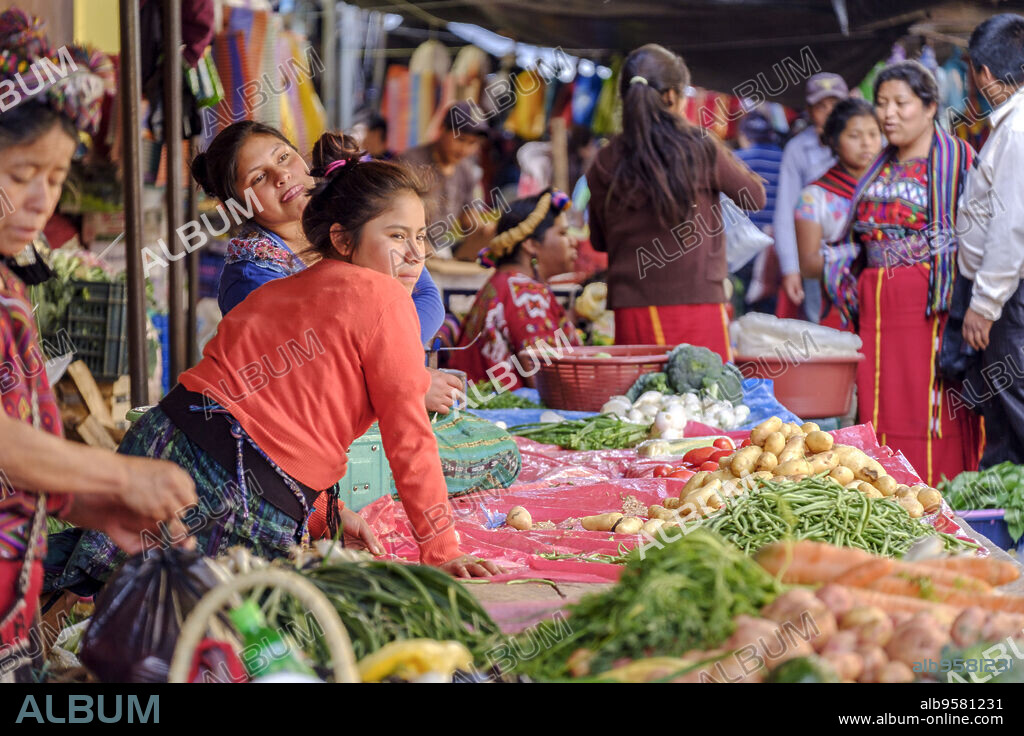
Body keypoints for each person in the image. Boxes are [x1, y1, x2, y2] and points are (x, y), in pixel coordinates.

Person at [63, 133, 503, 582]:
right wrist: (442, 551)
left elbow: (286, 411)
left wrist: (323, 512)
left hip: (161, 442)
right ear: (343, 240)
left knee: (111, 604)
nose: (416, 253)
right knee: (212, 631)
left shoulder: (282, 286)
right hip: (232, 484)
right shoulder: (377, 296)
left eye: (421, 236)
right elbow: (408, 441)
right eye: (397, 236)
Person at [0, 9, 196, 682]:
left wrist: (92, 505)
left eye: (54, 178)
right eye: (22, 171)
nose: (40, 200)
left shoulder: (10, 283)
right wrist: (119, 475)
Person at [833, 60, 981, 486]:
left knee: (929, 408)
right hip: (877, 308)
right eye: (881, 104)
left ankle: (935, 498)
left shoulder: (959, 161)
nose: (888, 114)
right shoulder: (879, 165)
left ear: (931, 106)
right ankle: (880, 495)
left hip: (931, 307)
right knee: (881, 405)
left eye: (901, 103)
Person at [191, 121, 445, 353]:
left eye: (283, 157)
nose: (282, 176)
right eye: (259, 177)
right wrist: (399, 376)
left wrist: (396, 362)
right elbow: (313, 362)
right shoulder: (251, 278)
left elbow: (427, 296)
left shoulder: (348, 208)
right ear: (236, 207)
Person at [586, 44, 766, 358]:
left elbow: (600, 242)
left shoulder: (604, 159)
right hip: (698, 300)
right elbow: (754, 197)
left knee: (643, 403)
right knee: (708, 400)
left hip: (634, 306)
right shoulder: (699, 145)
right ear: (672, 97)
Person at [958, 13, 1024, 468]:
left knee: (1014, 408)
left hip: (1010, 299)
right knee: (1005, 416)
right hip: (1009, 295)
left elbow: (1011, 227)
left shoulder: (1016, 132)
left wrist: (984, 303)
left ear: (983, 73)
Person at [448, 189, 580, 388]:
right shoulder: (526, 293)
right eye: (562, 233)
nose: (573, 241)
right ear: (531, 244)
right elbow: (548, 379)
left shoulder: (503, 283)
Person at [797, 98, 882, 329]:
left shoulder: (891, 190)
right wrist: (862, 255)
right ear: (834, 141)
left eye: (874, 134)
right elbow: (808, 265)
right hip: (837, 309)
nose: (866, 143)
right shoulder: (814, 197)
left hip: (887, 303)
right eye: (854, 136)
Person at [773, 72, 848, 322]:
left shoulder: (867, 141)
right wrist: (791, 268)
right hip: (817, 261)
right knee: (823, 325)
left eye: (835, 106)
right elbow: (785, 213)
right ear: (809, 110)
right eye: (821, 106)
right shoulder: (797, 149)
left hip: (860, 257)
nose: (829, 113)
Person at [398, 101, 493, 261]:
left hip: (439, 249)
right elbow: (394, 216)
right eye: (461, 140)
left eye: (472, 143)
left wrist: (485, 232)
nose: (465, 150)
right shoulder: (410, 163)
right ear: (442, 130)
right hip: (404, 250)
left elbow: (468, 217)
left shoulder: (466, 170)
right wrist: (418, 244)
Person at [734, 111, 783, 313]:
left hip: (743, 248)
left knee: (744, 308)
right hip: (775, 247)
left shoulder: (737, 160)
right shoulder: (784, 159)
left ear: (744, 135)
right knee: (770, 310)